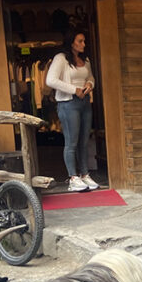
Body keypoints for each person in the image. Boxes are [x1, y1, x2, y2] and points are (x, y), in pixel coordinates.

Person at [44, 30, 97, 192]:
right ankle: (73, 178)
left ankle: (84, 174)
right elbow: (50, 80)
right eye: (80, 41)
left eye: (84, 41)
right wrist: (74, 90)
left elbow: (90, 77)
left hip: (85, 102)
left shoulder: (85, 59)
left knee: (84, 140)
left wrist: (89, 85)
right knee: (71, 141)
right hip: (68, 103)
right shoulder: (61, 58)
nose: (83, 44)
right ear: (71, 42)